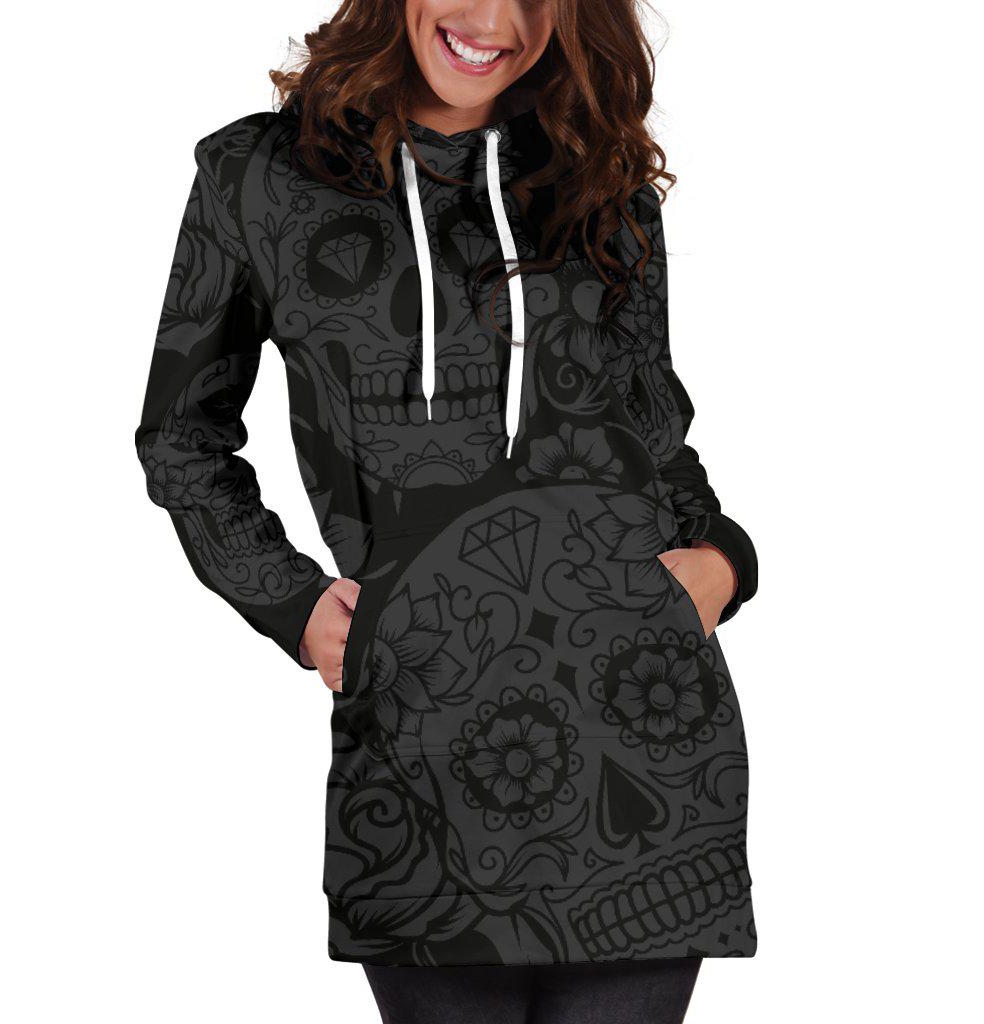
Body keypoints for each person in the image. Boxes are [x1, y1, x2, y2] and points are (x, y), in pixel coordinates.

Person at [135, 1, 759, 1020]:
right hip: (418, 761)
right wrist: (289, 603)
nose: (493, 17)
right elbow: (182, 434)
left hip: (647, 758)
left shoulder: (598, 179)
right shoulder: (258, 176)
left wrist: (724, 560)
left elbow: (652, 434)